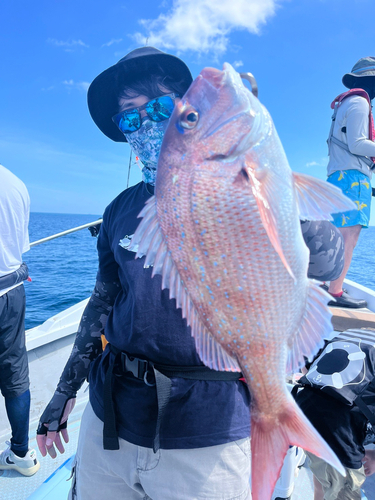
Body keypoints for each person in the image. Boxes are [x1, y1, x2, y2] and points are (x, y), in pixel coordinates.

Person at [36, 47, 346, 500]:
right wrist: (64, 395)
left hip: (209, 433)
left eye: (161, 108)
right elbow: (102, 303)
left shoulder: (246, 183)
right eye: (130, 116)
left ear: (184, 107)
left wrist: (276, 196)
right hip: (110, 421)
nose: (145, 123)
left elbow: (327, 262)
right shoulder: (119, 211)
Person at [294, 329, 375, 500]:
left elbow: (307, 366)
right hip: (337, 427)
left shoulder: (356, 333)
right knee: (343, 489)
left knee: (325, 475)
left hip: (304, 410)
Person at [325, 56, 375, 309]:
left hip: (339, 176)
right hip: (353, 177)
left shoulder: (344, 104)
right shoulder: (359, 103)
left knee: (336, 235)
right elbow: (357, 144)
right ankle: (335, 290)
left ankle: (328, 283)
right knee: (350, 235)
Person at [0, 164, 40, 476]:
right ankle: (21, 453)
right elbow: (18, 250)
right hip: (11, 292)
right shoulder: (16, 184)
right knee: (15, 376)